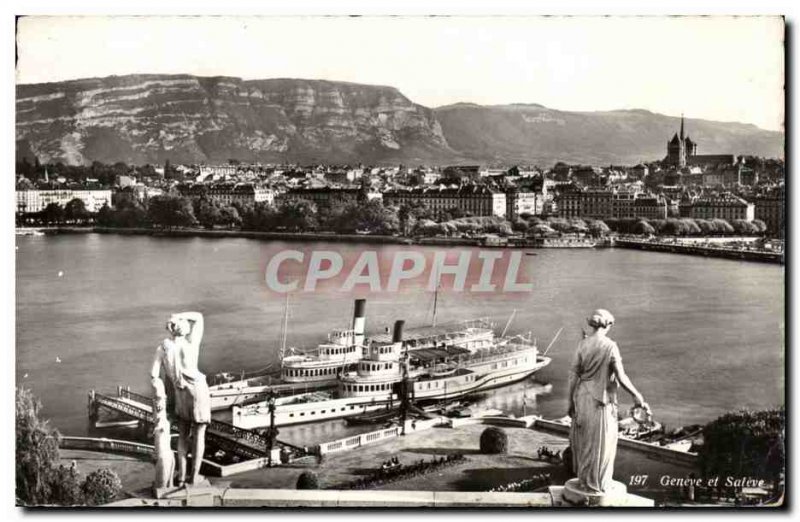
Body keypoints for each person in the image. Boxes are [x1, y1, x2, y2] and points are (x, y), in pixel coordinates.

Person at [567, 309, 649, 494]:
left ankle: (585, 481)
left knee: (586, 442)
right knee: (602, 444)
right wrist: (637, 395)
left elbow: (573, 376)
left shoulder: (582, 344)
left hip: (582, 398)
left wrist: (570, 402)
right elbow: (621, 376)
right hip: (601, 401)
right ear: (607, 324)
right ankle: (598, 483)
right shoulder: (610, 346)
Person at [151, 311, 211, 487]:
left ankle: (181, 477)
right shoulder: (191, 343)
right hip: (198, 390)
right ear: (183, 328)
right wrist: (179, 314)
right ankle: (194, 477)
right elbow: (199, 316)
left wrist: (161, 396)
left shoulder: (163, 348)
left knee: (183, 434)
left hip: (180, 393)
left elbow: (154, 375)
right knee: (199, 433)